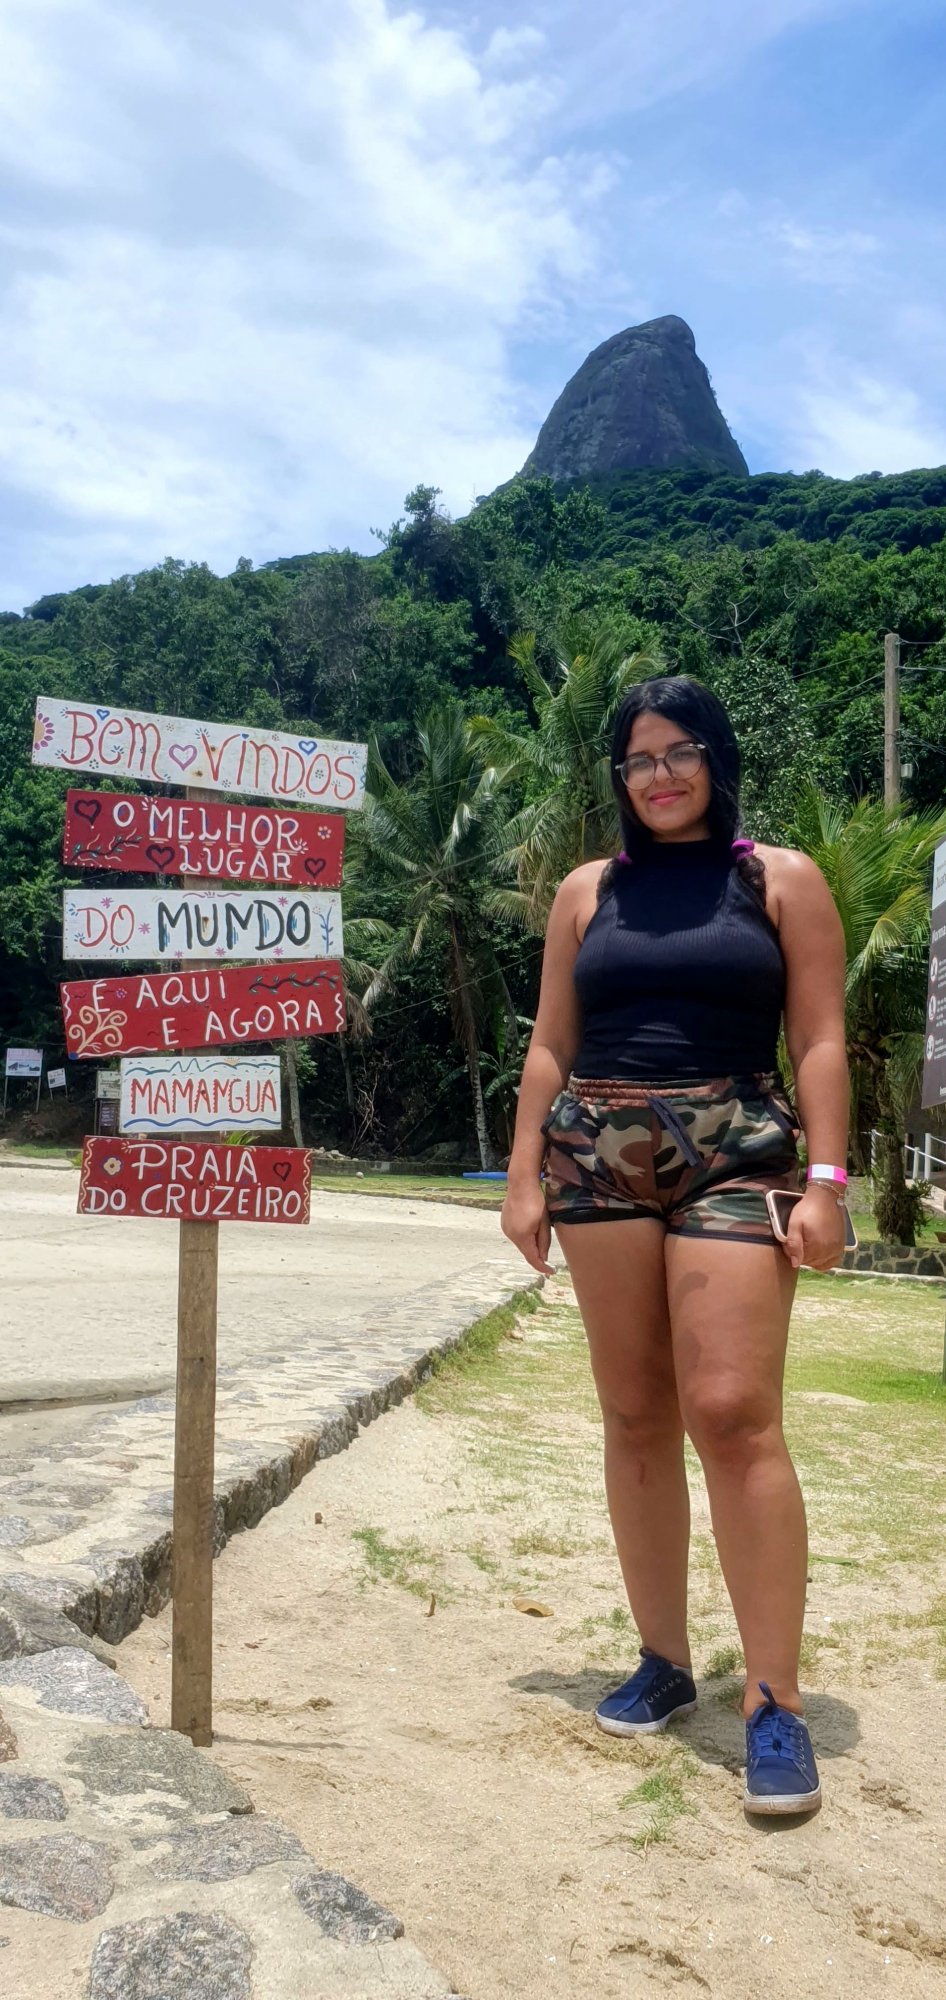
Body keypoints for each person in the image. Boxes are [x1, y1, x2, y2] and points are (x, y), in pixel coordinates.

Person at [501, 676, 848, 1818]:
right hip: (596, 1151)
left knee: (734, 1411)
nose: (659, 775)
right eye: (638, 758)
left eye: (679, 751)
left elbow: (819, 1037)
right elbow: (551, 1044)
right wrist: (523, 1175)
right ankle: (662, 1658)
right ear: (620, 776)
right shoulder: (587, 891)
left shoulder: (779, 880)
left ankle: (774, 1701)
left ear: (716, 757)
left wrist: (828, 1183)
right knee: (634, 1410)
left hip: (737, 1147)